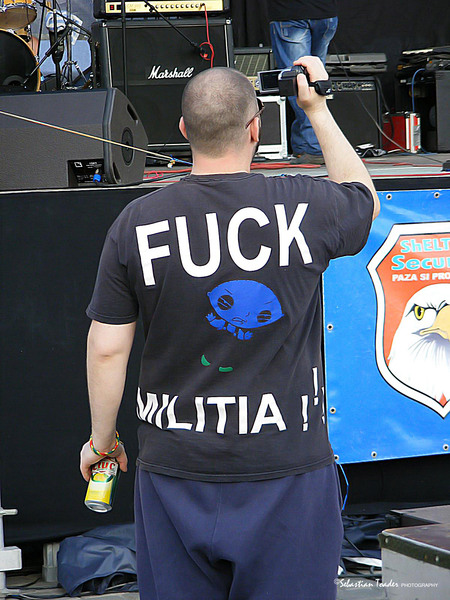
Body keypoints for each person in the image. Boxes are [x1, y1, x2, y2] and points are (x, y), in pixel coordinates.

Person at [80, 57, 379, 600]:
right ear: (256, 128)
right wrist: (316, 109)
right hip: (285, 470)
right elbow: (364, 198)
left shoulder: (136, 222)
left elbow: (106, 348)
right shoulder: (304, 205)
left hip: (176, 472)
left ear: (183, 129)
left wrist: (102, 443)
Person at [269, 0, 338, 164]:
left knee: (297, 83)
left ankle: (314, 147)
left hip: (291, 13)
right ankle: (302, 146)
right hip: (325, 13)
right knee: (314, 79)